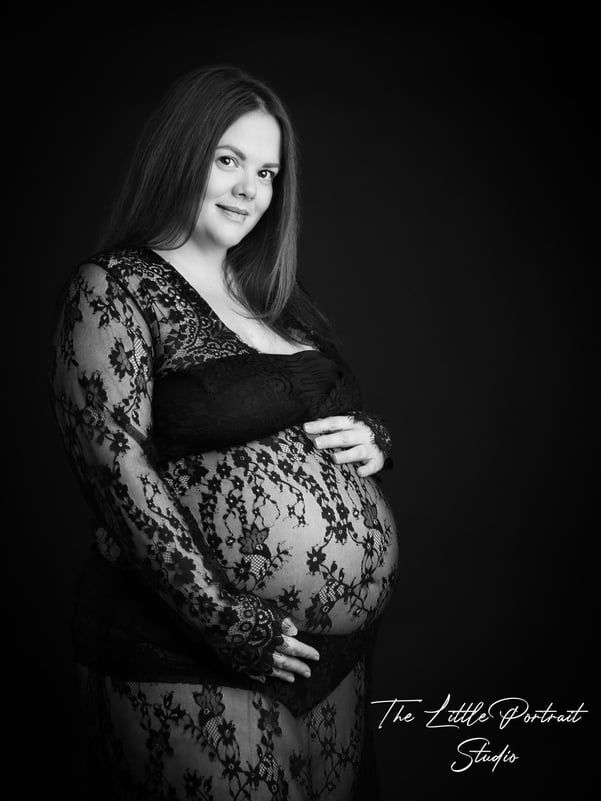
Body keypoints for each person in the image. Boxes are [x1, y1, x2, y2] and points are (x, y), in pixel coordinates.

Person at [48, 64, 399, 801]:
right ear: (181, 153)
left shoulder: (275, 299)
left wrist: (371, 438)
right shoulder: (115, 288)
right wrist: (226, 622)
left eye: (266, 173)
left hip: (330, 661)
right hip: (187, 652)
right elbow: (116, 471)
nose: (249, 190)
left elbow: (320, 408)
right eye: (228, 160)